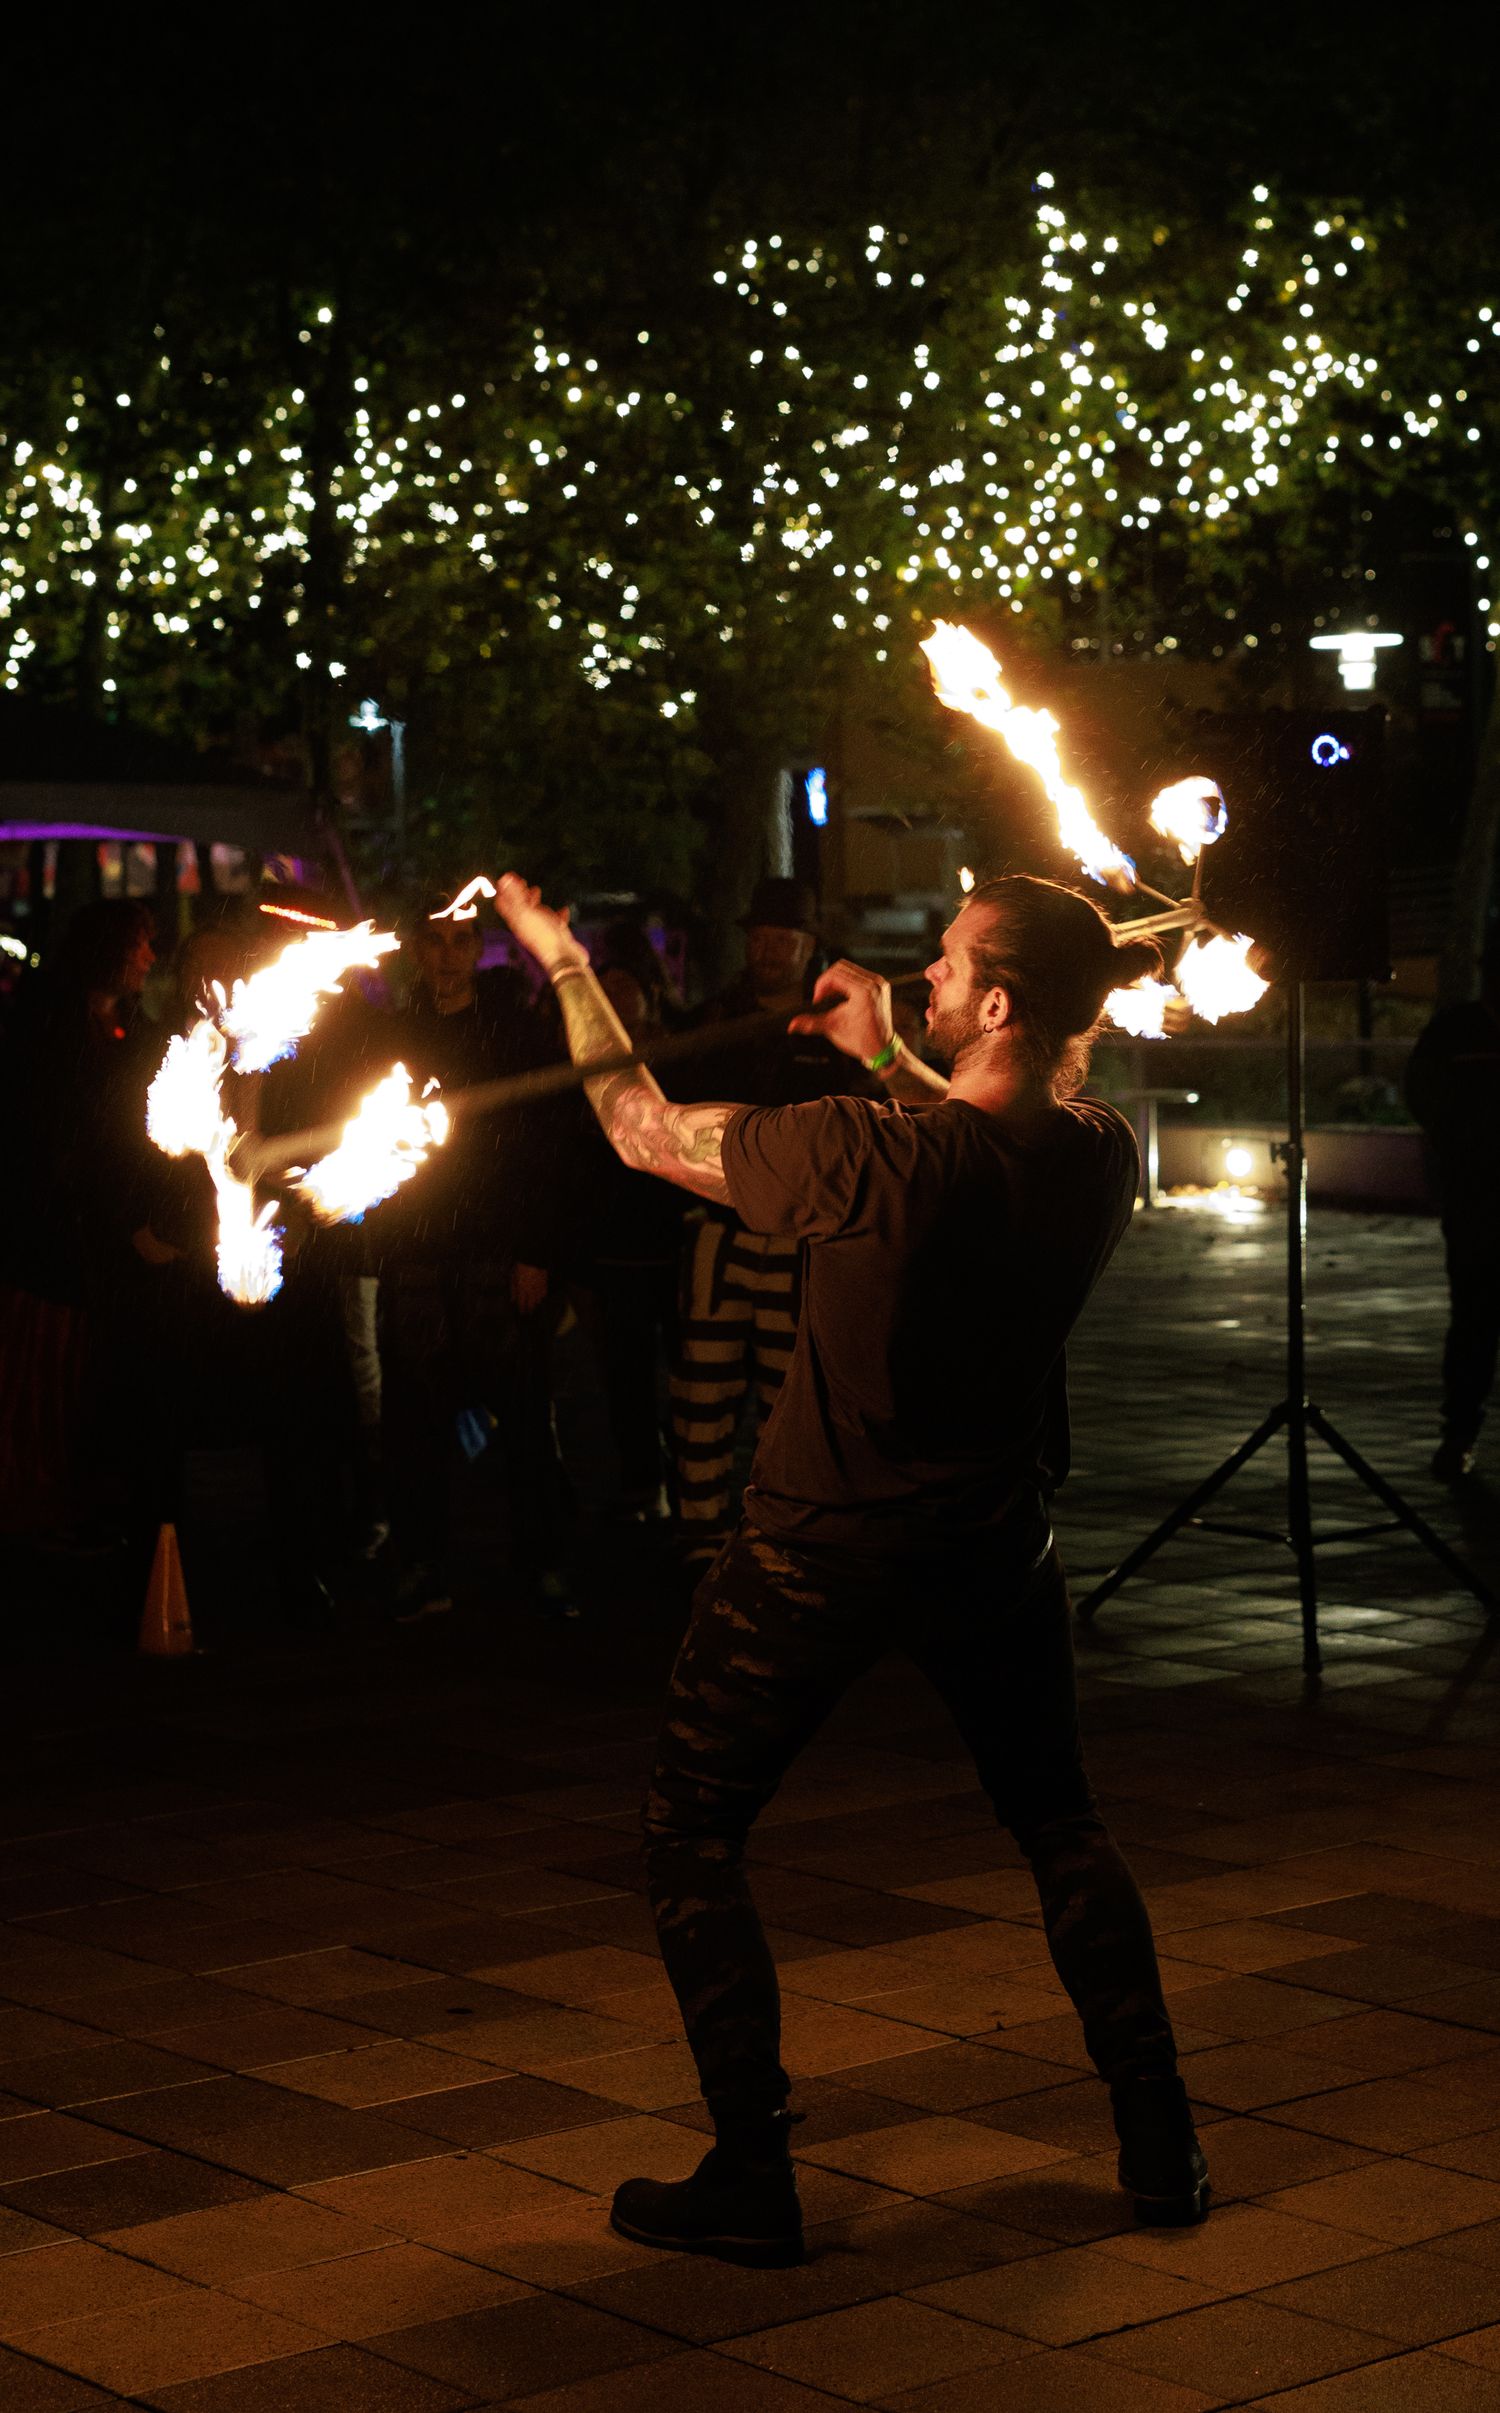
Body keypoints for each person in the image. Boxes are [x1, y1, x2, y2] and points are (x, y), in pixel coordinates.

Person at [492, 866, 1210, 2268]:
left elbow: (639, 1129)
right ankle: (1161, 2139)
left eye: (948, 962)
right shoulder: (1098, 1151)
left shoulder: (863, 1157)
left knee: (690, 1829)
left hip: (821, 1547)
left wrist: (564, 962)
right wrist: (884, 1050)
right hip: (993, 1547)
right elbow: (974, 1124)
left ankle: (753, 2171)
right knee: (1060, 1823)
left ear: (996, 1005)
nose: (922, 971)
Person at [371, 899, 575, 1619]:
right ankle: (423, 1563)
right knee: (414, 1420)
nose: (448, 956)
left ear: (479, 949)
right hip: (419, 1247)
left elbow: (548, 1145)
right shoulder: (393, 1037)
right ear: (416, 951)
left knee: (523, 1415)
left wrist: (536, 1251)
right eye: (435, 941)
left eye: (461, 941)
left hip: (498, 1248)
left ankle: (541, 1563)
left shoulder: (515, 1034)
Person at [671, 877, 877, 1561]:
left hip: (796, 1237)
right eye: (759, 938)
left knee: (787, 1394)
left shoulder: (837, 1027)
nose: (767, 951)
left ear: (807, 946)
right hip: (717, 1227)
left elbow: (865, 1118)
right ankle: (699, 1533)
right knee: (702, 1386)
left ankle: (778, 1535)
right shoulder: (715, 1018)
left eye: (782, 939)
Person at [1405, 967, 1500, 1481]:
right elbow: (1423, 1095)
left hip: (1471, 1196)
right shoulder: (1455, 1031)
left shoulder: (1456, 1030)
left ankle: (1459, 1435)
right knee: (1473, 1320)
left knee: (1472, 1320)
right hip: (1475, 1198)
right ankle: (1459, 1433)